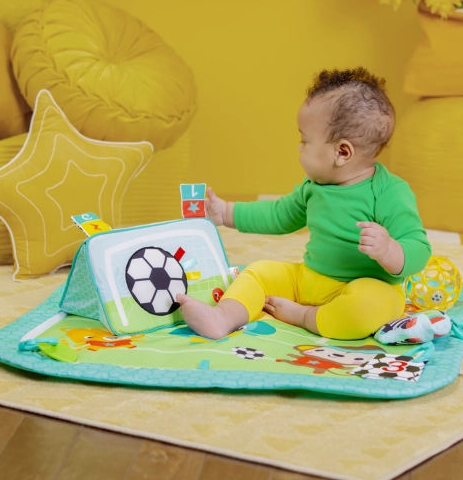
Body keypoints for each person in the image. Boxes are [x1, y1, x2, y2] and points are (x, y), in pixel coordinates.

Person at [176, 67, 431, 340]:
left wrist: (389, 250)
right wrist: (226, 212)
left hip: (363, 287)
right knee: (258, 272)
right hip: (308, 279)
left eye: (304, 141)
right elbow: (278, 215)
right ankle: (223, 317)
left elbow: (419, 248)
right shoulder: (314, 187)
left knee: (372, 305)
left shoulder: (390, 192)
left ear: (342, 152)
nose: (299, 147)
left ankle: (306, 316)